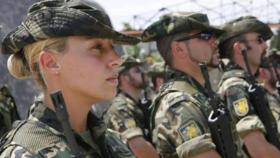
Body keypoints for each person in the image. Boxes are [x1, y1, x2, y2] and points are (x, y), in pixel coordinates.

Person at [0, 0, 139, 157]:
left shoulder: (113, 141)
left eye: (112, 47)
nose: (116, 59)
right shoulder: (27, 152)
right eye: (97, 47)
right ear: (51, 63)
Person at [141, 12, 246, 158]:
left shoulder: (198, 94)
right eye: (205, 36)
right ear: (179, 49)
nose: (215, 41)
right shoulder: (179, 104)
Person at [217, 16, 280, 157]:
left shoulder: (247, 84)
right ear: (240, 48)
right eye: (259, 40)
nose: (265, 46)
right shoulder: (235, 87)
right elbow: (259, 151)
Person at [105, 56, 159, 158]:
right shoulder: (120, 108)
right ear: (124, 78)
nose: (144, 74)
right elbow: (139, 147)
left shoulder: (139, 103)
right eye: (137, 71)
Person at [257, 49, 280, 133]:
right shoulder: (261, 99)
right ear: (263, 72)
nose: (279, 71)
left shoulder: (275, 93)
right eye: (276, 66)